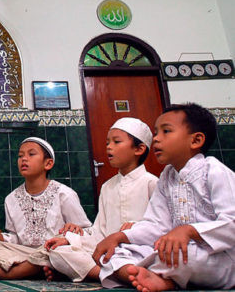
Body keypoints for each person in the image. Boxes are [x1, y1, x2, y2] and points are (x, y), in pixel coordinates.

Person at [95, 103, 235, 291]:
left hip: (217, 257)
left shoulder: (214, 170)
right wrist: (121, 236)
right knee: (117, 253)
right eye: (155, 132)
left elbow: (231, 223)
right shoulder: (167, 177)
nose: (156, 139)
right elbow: (156, 224)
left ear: (196, 140)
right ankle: (148, 274)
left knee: (180, 256)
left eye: (166, 131)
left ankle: (157, 277)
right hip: (173, 253)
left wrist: (190, 231)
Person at [45, 117, 158, 282]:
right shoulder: (107, 187)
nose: (109, 147)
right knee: (57, 251)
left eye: (116, 142)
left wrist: (137, 228)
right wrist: (69, 239)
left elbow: (161, 227)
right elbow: (99, 231)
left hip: (140, 249)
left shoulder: (152, 183)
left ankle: (109, 273)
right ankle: (116, 275)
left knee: (153, 257)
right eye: (107, 143)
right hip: (107, 251)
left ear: (139, 149)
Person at [0, 137, 91, 280]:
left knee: (57, 250)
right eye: (20, 156)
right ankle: (41, 270)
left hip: (53, 251)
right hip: (24, 253)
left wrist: (72, 233)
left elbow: (86, 233)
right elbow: (16, 238)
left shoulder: (64, 194)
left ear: (48, 163)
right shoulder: (11, 199)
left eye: (31, 154)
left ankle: (8, 273)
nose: (24, 159)